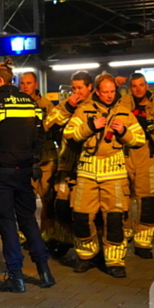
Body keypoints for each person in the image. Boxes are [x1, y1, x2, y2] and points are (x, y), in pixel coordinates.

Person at [0, 61, 55, 293]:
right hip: (24, 172)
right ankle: (45, 272)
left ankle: (16, 277)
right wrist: (32, 160)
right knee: (28, 220)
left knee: (6, 223)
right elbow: (41, 137)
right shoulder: (31, 102)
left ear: (0, 81)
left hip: (1, 173)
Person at [63, 73, 145, 278]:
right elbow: (69, 135)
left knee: (115, 219)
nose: (109, 95)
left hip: (115, 172)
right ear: (97, 92)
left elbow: (139, 139)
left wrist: (124, 131)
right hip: (87, 171)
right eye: (105, 92)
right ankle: (86, 256)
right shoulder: (84, 110)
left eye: (112, 91)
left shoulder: (125, 113)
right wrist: (91, 127)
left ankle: (115, 261)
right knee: (81, 216)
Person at [43, 71, 94, 256]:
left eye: (80, 88)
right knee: (62, 207)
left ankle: (90, 248)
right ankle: (64, 241)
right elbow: (48, 125)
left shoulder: (98, 106)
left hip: (88, 168)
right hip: (66, 165)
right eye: (74, 88)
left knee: (84, 212)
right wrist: (68, 107)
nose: (77, 92)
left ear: (90, 87)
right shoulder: (67, 106)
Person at [120, 73, 154, 259]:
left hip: (146, 157)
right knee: (122, 202)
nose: (138, 89)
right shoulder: (123, 103)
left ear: (146, 85)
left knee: (146, 202)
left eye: (141, 85)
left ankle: (143, 243)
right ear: (130, 88)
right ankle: (124, 235)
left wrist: (151, 129)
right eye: (134, 86)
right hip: (125, 155)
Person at [19, 72, 57, 241]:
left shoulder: (46, 105)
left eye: (28, 83)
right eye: (22, 83)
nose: (25, 86)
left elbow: (54, 129)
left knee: (48, 199)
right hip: (26, 160)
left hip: (46, 159)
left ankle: (47, 235)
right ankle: (27, 235)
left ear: (35, 85)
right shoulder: (17, 106)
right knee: (25, 199)